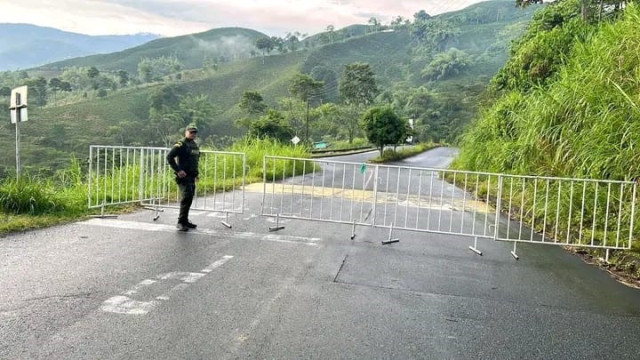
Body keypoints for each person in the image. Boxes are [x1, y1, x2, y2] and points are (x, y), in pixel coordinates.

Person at [167, 124, 200, 231]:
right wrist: (178, 170)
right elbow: (169, 157)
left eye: (194, 132)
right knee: (186, 198)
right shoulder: (181, 144)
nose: (193, 134)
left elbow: (194, 161)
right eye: (191, 132)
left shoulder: (194, 144)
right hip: (183, 176)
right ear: (186, 132)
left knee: (189, 198)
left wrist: (196, 174)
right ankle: (181, 222)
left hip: (191, 176)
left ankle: (185, 220)